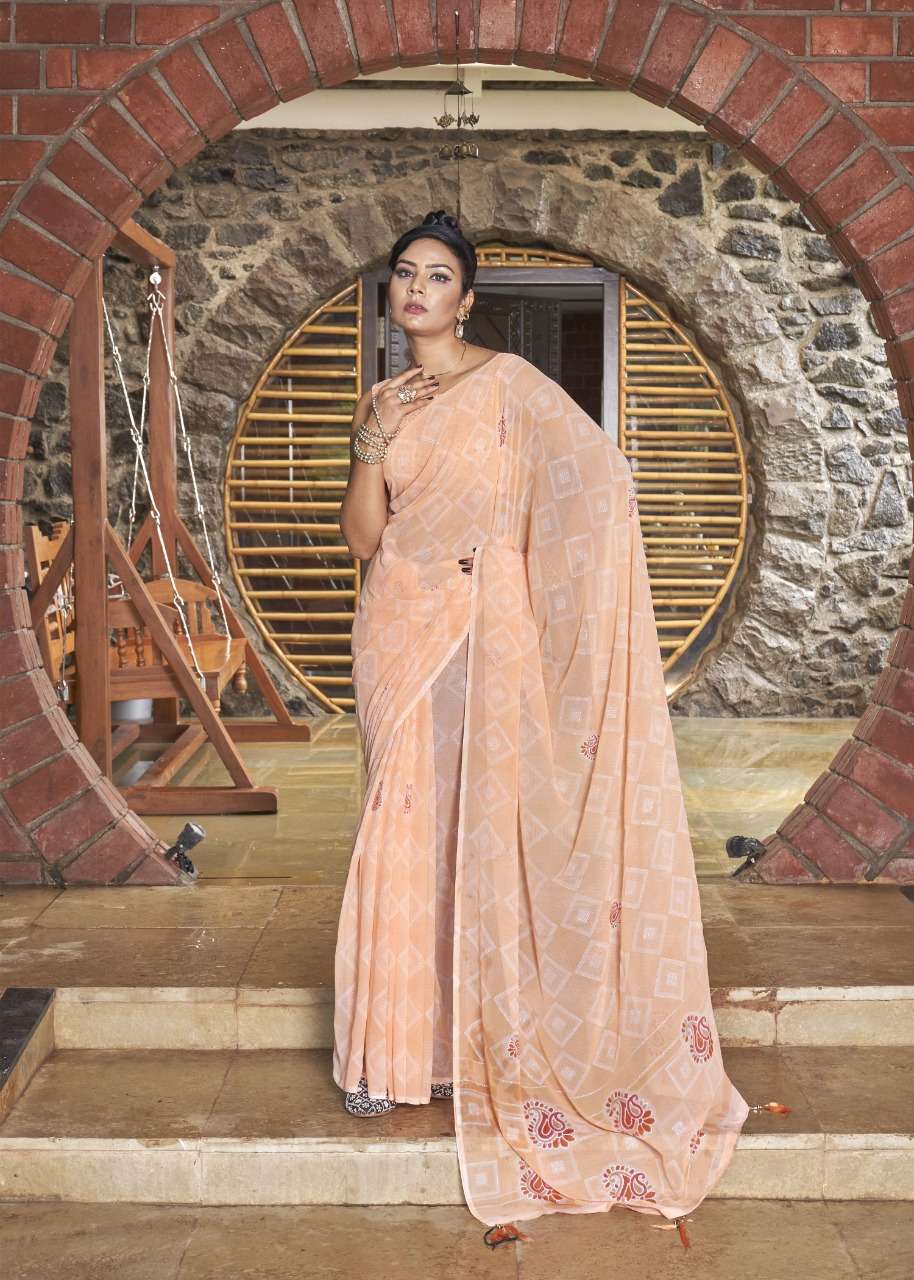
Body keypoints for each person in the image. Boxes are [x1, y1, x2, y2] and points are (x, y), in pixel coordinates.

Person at [333, 210, 787, 1248]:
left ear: (465, 300)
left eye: (436, 275)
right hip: (399, 628)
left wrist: (512, 575)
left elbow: (599, 479)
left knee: (479, 828)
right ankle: (388, 1052)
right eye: (404, 272)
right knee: (400, 825)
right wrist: (367, 444)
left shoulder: (511, 387)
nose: (416, 288)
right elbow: (364, 537)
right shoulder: (380, 400)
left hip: (485, 626)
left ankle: (463, 1045)